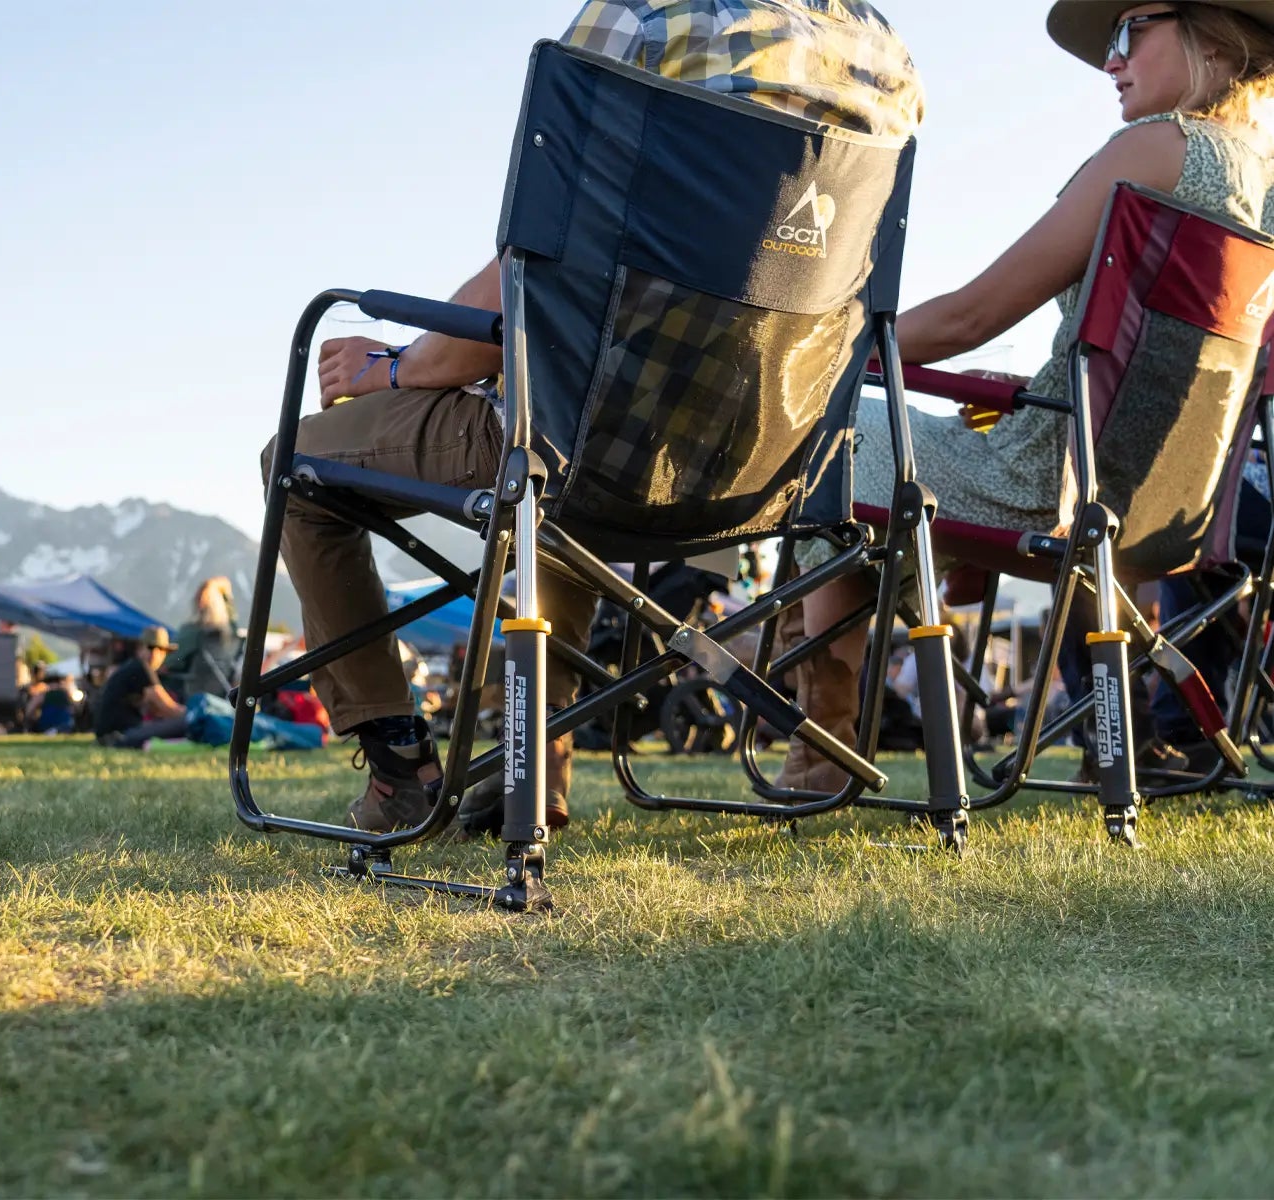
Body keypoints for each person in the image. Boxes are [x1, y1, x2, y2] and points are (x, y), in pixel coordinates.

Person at [266, 0, 925, 833]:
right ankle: (529, 767)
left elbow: (539, 260)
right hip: (768, 460)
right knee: (579, 459)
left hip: (590, 445)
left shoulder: (649, 19)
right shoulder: (887, 58)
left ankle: (401, 766)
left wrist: (397, 363)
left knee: (298, 463)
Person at [785, 1, 1274, 791]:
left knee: (842, 430)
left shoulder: (1154, 150)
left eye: (1128, 35)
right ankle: (1128, 738)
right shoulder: (1266, 187)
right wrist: (1039, 390)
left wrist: (815, 353)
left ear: (1211, 41)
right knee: (899, 442)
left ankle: (824, 745)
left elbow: (971, 315)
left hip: (1046, 489)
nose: (1110, 63)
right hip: (1168, 506)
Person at [93, 626, 189, 748]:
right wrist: (195, 714)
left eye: (160, 649)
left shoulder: (131, 667)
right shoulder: (141, 668)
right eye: (150, 648)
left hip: (113, 736)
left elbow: (157, 709)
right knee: (185, 724)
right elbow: (168, 708)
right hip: (121, 736)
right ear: (140, 648)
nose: (155, 653)